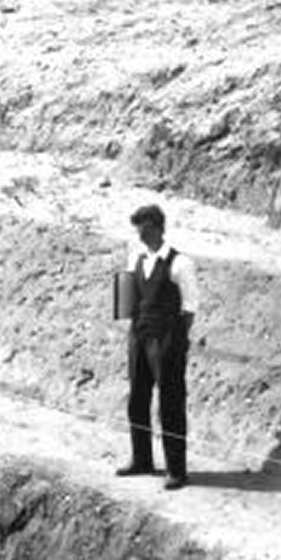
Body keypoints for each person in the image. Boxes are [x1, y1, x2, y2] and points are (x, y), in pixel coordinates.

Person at [117, 203, 200, 490]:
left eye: (146, 227)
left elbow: (189, 311)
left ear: (158, 227)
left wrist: (173, 340)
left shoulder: (180, 263)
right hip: (139, 336)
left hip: (167, 339)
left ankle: (176, 470)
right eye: (139, 228)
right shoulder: (136, 258)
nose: (141, 233)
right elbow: (127, 297)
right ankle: (142, 459)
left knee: (170, 403)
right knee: (137, 398)